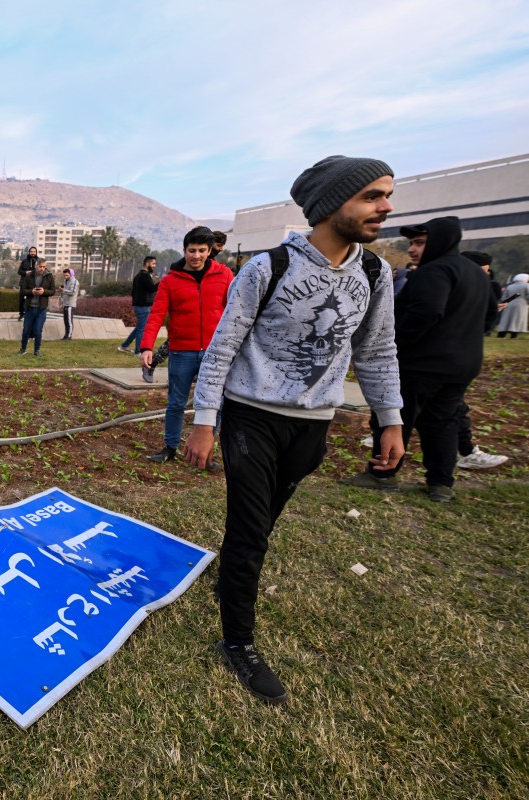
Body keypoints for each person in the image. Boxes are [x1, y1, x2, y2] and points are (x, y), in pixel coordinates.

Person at [186, 155, 404, 705]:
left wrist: (391, 419)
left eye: (387, 194)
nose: (386, 206)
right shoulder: (269, 267)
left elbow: (377, 351)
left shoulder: (375, 274)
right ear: (332, 204)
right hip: (251, 417)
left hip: (312, 426)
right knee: (250, 530)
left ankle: (230, 578)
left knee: (263, 522)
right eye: (372, 196)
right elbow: (223, 347)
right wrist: (205, 421)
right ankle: (238, 641)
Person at [342, 216, 497, 502]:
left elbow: (425, 312)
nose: (412, 249)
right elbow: (490, 316)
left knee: (394, 418)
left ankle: (382, 474)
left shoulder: (434, 271)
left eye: (420, 243)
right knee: (443, 421)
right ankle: (440, 483)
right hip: (462, 365)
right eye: (412, 243)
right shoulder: (476, 273)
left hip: (421, 363)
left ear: (441, 242)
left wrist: (395, 345)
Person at [139, 227, 234, 463]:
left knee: (215, 404)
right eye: (192, 250)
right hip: (182, 352)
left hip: (214, 353)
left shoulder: (225, 276)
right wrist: (146, 347)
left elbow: (235, 311)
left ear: (210, 251)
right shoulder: (170, 281)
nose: (196, 256)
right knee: (176, 403)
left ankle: (206, 451)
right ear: (184, 250)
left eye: (202, 250)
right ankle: (170, 447)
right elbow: (156, 315)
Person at [119, 256, 159, 354]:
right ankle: (138, 351)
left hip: (140, 306)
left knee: (139, 328)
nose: (155, 266)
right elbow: (152, 288)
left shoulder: (139, 275)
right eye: (153, 264)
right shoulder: (144, 276)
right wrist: (161, 282)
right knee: (141, 329)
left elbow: (134, 292)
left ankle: (124, 346)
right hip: (143, 307)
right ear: (147, 264)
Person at [18, 258, 55, 356]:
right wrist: (32, 291)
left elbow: (53, 291)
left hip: (41, 309)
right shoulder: (29, 276)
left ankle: (37, 350)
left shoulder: (49, 276)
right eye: (40, 266)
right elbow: (23, 290)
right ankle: (23, 349)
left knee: (38, 330)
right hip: (30, 308)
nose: (42, 269)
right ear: (36, 266)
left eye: (44, 267)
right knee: (26, 330)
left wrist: (44, 292)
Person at [495, 273, 528, 338]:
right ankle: (513, 335)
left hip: (509, 304)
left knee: (506, 319)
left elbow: (504, 297)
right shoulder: (526, 285)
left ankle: (501, 334)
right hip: (521, 305)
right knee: (517, 320)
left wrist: (505, 302)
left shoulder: (510, 286)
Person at [17, 246, 40, 320]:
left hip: (35, 282)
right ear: (29, 252)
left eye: (34, 252)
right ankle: (21, 314)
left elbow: (42, 271)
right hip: (24, 282)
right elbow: (19, 271)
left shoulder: (39, 261)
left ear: (36, 252)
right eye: (31, 251)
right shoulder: (24, 261)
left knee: (34, 299)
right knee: (22, 299)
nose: (32, 253)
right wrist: (26, 272)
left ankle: (33, 314)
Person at [59, 267, 79, 339]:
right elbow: (65, 292)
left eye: (67, 275)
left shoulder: (74, 281)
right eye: (64, 275)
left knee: (69, 320)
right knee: (66, 320)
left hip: (71, 304)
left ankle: (69, 335)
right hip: (65, 303)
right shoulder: (65, 281)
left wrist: (64, 290)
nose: (65, 277)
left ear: (71, 274)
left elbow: (72, 292)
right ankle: (66, 335)